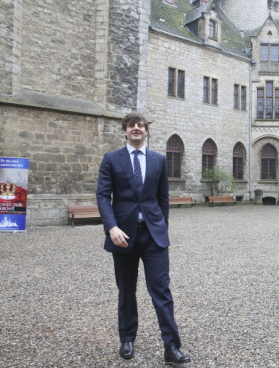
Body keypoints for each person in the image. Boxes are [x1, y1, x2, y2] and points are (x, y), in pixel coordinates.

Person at [96, 112, 190, 365]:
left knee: (161, 290)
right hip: (123, 236)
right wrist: (111, 227)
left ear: (146, 131)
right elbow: (103, 196)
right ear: (124, 131)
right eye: (131, 126)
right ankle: (127, 339)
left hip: (153, 236)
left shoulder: (159, 160)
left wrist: (162, 228)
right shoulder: (111, 159)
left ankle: (171, 347)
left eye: (141, 125)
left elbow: (163, 199)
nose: (136, 128)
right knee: (126, 290)